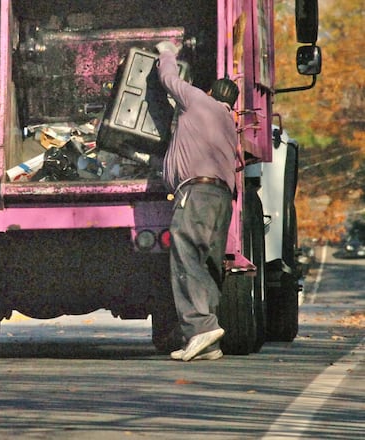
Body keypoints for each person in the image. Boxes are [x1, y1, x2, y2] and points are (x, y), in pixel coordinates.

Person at [155, 41, 239, 361]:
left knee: (185, 258)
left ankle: (199, 327)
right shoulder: (229, 123)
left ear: (209, 91)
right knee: (207, 265)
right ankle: (209, 343)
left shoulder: (198, 100)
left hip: (197, 193)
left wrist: (166, 52)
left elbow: (169, 79)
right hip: (221, 198)